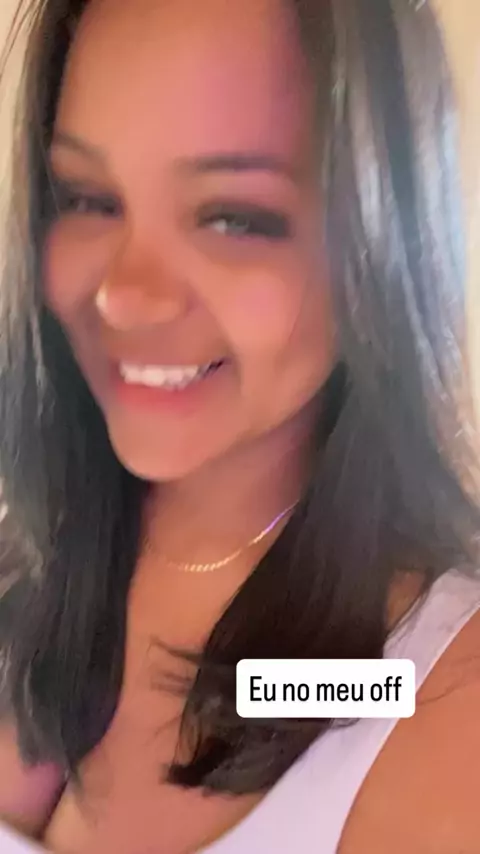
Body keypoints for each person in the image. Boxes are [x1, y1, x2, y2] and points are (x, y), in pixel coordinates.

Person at [0, 0, 480, 851]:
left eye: (234, 217)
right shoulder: (39, 543)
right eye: (87, 198)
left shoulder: (438, 693)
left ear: (381, 243)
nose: (124, 296)